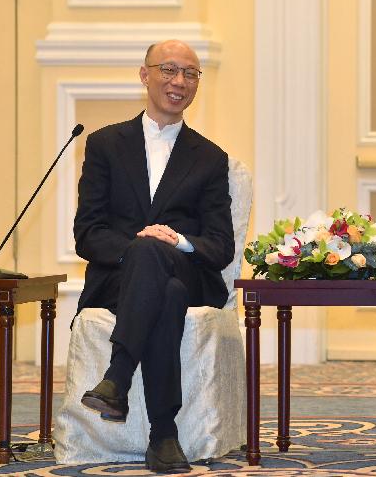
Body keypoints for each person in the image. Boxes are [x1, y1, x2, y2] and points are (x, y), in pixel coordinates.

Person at [73, 39, 234, 473]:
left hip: (188, 267)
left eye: (190, 73)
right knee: (167, 290)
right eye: (168, 69)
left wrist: (176, 241)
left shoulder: (210, 157)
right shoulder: (105, 145)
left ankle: (117, 378)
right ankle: (164, 433)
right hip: (120, 278)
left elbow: (221, 246)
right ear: (145, 75)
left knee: (166, 267)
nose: (178, 81)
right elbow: (86, 233)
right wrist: (140, 248)